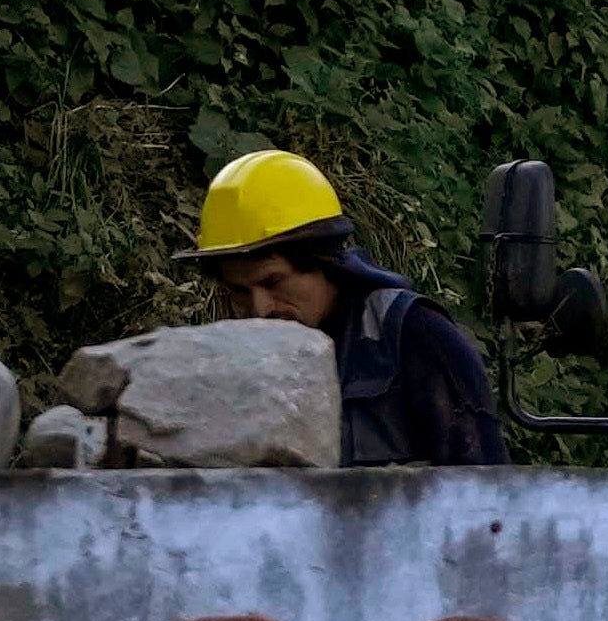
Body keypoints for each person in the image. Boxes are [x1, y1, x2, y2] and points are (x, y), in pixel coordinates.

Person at [187, 147, 503, 467]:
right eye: (240, 292)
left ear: (324, 263)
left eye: (273, 283)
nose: (260, 309)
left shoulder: (411, 337)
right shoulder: (226, 360)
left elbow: (485, 493)